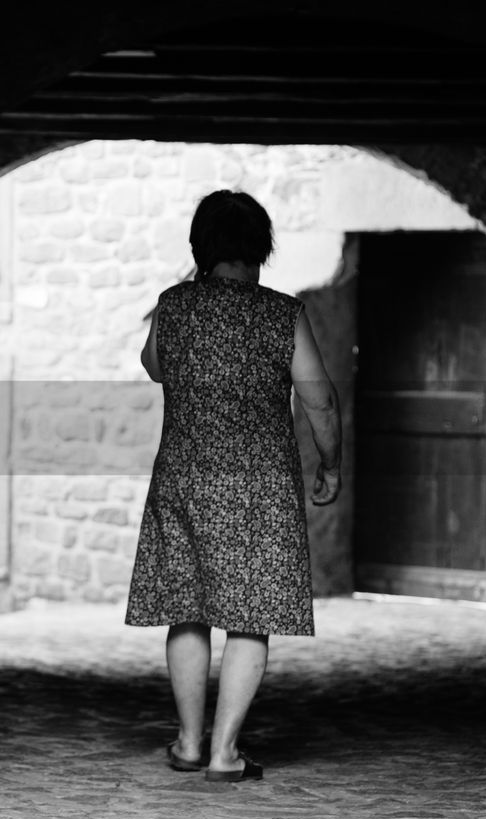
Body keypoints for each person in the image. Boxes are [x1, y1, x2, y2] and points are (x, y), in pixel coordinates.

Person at [125, 189, 342, 782]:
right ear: (261, 249)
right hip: (260, 487)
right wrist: (331, 463)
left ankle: (190, 744)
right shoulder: (282, 314)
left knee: (186, 609)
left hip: (185, 479)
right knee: (251, 615)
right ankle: (225, 753)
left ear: (200, 247)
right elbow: (318, 399)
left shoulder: (174, 306)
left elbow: (156, 365)